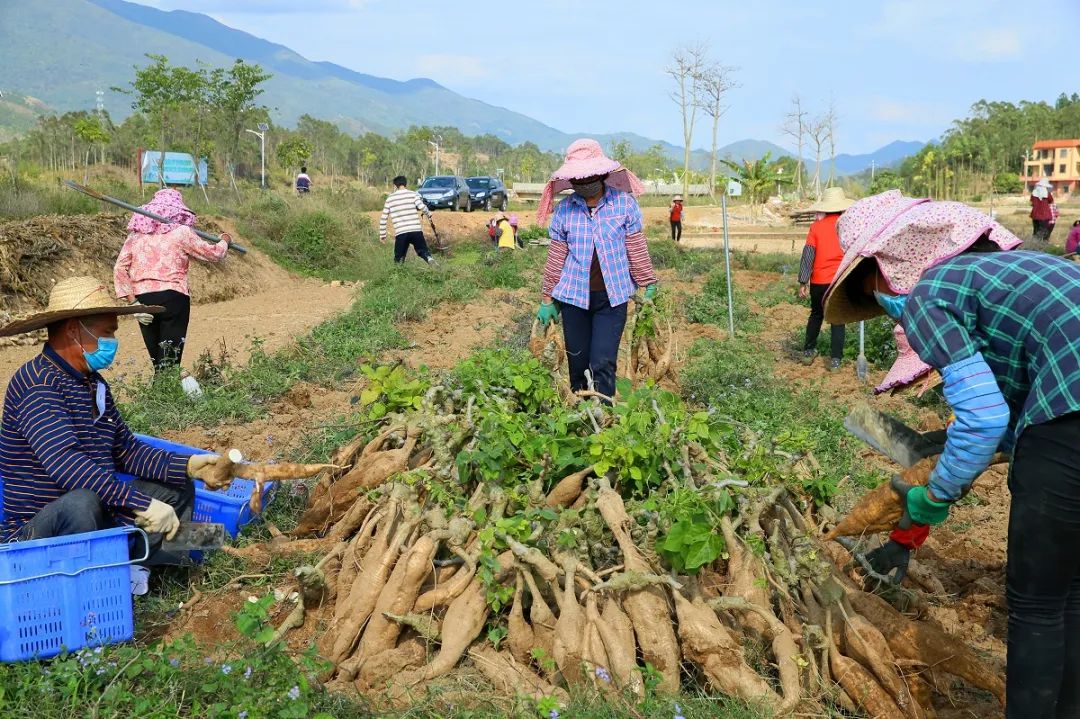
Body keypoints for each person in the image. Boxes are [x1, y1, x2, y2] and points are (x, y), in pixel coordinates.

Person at [823, 190, 1080, 719]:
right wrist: (911, 527)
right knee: (1071, 592)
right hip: (1064, 413)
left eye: (869, 292)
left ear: (882, 266)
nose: (878, 304)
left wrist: (932, 498)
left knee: (1037, 603)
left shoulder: (929, 293)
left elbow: (986, 419)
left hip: (1070, 415)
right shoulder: (1015, 271)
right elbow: (1012, 423)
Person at [0, 277, 239, 565]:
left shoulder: (92, 383)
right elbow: (66, 465)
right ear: (74, 329)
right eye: (107, 333)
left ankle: (175, 558)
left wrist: (187, 465)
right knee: (81, 503)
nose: (113, 342)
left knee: (174, 486)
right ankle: (127, 567)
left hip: (100, 511)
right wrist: (142, 504)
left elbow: (126, 450)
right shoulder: (38, 385)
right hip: (40, 533)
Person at [535, 139, 658, 399]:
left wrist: (648, 282)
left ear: (602, 174)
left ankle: (605, 420)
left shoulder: (623, 205)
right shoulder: (566, 210)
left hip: (611, 299)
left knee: (603, 363)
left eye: (588, 177)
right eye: (577, 179)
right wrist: (548, 298)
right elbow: (557, 256)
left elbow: (635, 247)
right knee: (578, 365)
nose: (583, 183)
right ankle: (580, 419)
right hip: (573, 299)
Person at [113, 188, 231, 371]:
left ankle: (160, 397)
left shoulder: (135, 236)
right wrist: (225, 240)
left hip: (143, 301)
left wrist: (133, 303)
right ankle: (169, 397)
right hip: (173, 298)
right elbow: (213, 254)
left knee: (159, 364)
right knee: (169, 363)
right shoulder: (181, 232)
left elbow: (119, 268)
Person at [797, 186, 853, 371]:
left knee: (816, 315)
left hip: (819, 282)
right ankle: (835, 360)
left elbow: (808, 255)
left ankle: (808, 351)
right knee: (837, 319)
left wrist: (803, 282)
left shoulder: (816, 227)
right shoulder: (847, 227)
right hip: (838, 281)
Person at [379, 175, 436, 264]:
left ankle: (398, 275)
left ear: (395, 186)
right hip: (416, 230)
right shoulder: (413, 194)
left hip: (401, 232)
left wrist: (382, 234)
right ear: (405, 184)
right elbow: (422, 207)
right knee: (422, 251)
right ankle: (429, 259)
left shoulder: (390, 199)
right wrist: (429, 214)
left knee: (399, 258)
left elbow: (383, 218)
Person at [1030, 177, 1054, 243]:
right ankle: (1041, 244)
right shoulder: (1047, 193)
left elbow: (1032, 203)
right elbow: (1051, 201)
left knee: (1035, 230)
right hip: (1044, 215)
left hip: (1035, 215)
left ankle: (1033, 244)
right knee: (1043, 231)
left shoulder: (1034, 193)